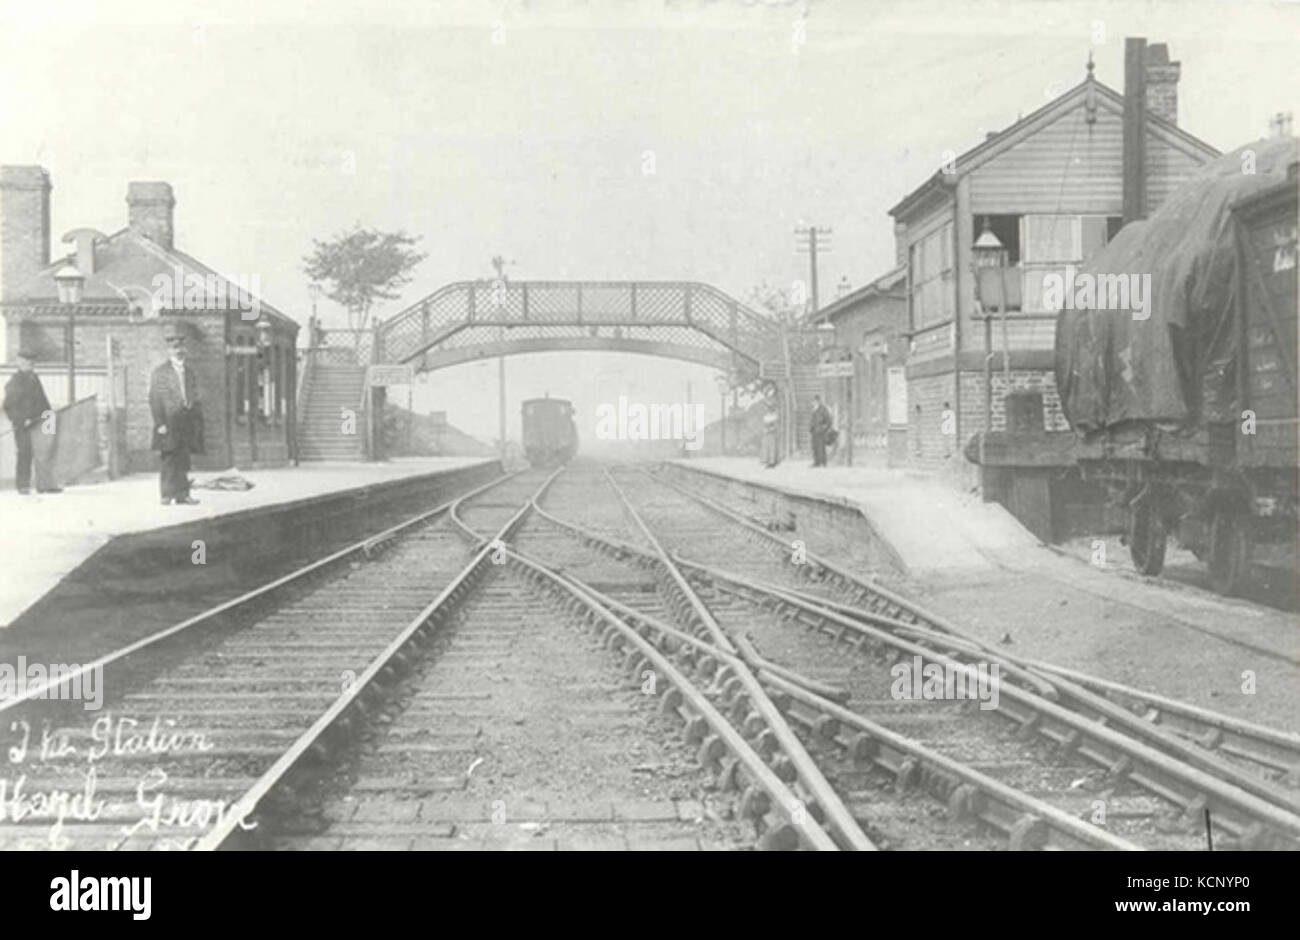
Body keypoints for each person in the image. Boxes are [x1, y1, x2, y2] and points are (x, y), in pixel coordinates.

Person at [149, 322, 204, 505]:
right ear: (169, 351)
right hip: (168, 423)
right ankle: (166, 495)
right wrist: (160, 423)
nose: (179, 351)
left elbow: (194, 395)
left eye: (181, 348)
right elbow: (154, 399)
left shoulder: (189, 373)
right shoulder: (160, 373)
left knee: (184, 460)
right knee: (169, 460)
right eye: (175, 348)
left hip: (185, 422)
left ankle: (182, 494)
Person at [3, 349, 61, 494]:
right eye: (27, 363)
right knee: (25, 453)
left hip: (39, 423)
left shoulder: (34, 379)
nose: (30, 365)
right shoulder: (14, 382)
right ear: (19, 363)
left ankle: (45, 485)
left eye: (32, 363)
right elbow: (8, 405)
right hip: (23, 426)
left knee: (44, 453)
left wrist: (49, 418)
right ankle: (23, 486)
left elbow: (43, 400)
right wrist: (21, 421)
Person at [760, 384, 781, 468]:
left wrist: (773, 426)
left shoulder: (774, 400)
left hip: (772, 421)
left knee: (772, 444)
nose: (770, 392)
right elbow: (764, 410)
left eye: (771, 390)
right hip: (767, 421)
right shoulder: (765, 401)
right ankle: (767, 460)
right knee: (766, 443)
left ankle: (772, 461)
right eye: (769, 391)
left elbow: (775, 409)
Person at [810, 394, 833, 468]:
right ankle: (816, 462)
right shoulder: (814, 409)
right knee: (815, 447)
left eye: (814, 401)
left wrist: (824, 428)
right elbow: (813, 420)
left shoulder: (823, 409)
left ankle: (823, 462)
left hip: (821, 432)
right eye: (813, 401)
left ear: (818, 401)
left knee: (821, 447)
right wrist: (811, 428)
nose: (813, 402)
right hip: (814, 432)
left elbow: (828, 420)